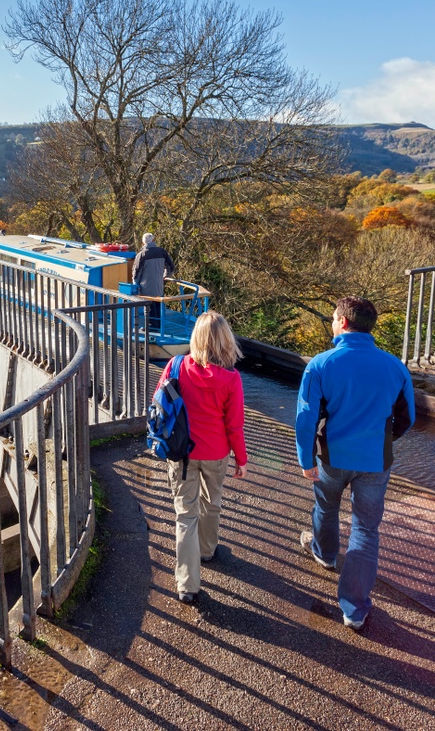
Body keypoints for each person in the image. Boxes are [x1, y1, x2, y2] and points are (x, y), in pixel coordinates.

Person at [295, 296, 415, 631]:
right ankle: (355, 609)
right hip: (376, 460)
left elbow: (306, 419)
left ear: (344, 322)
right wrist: (382, 441)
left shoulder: (320, 364)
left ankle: (325, 554)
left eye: (334, 318)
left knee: (326, 504)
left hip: (333, 457)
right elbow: (408, 416)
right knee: (365, 528)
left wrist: (306, 459)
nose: (332, 323)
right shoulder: (395, 366)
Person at [160, 310, 247, 604]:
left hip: (182, 452)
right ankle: (208, 549)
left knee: (185, 515)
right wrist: (241, 458)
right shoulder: (232, 378)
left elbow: (158, 404)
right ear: (226, 340)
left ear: (196, 337)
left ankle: (187, 584)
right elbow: (234, 424)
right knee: (212, 503)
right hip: (217, 452)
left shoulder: (175, 366)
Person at [133, 232, 175, 328]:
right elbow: (171, 267)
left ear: (143, 242)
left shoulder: (142, 254)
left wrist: (136, 284)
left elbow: (137, 272)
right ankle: (159, 324)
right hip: (159, 284)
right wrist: (165, 275)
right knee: (158, 303)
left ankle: (152, 325)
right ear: (153, 240)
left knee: (148, 306)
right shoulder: (162, 252)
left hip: (146, 286)